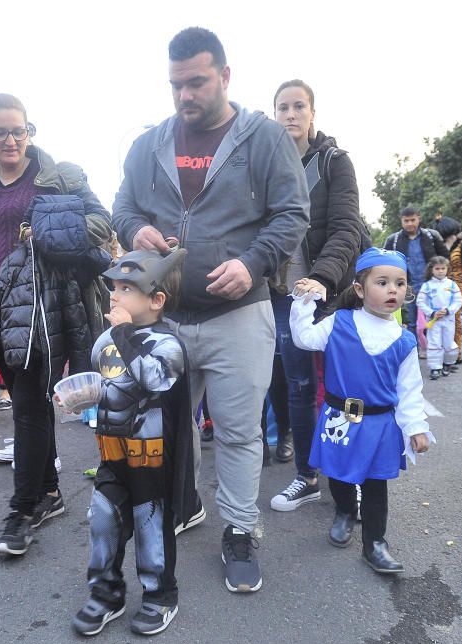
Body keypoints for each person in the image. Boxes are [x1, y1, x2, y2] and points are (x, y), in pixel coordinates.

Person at [112, 27, 309, 592]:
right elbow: (122, 205)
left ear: (225, 76)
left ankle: (240, 532)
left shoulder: (266, 139)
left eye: (196, 82)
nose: (184, 96)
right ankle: (185, 503)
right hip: (165, 317)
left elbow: (292, 214)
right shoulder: (148, 144)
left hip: (238, 315)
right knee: (170, 426)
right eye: (175, 85)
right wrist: (134, 227)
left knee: (241, 432)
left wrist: (253, 262)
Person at [0, 93, 111, 555]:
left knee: (29, 406)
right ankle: (49, 492)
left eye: (19, 130)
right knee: (30, 404)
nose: (11, 140)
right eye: (0, 132)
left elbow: (101, 225)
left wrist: (48, 226)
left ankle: (21, 509)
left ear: (30, 132)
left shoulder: (58, 176)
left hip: (42, 311)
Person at [69, 249, 196, 637]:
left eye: (127, 288)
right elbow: (103, 383)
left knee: (151, 528)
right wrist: (78, 395)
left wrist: (124, 334)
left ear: (156, 300)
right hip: (112, 452)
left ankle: (160, 595)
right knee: (103, 520)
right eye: (114, 287)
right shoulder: (107, 338)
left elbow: (154, 381)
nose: (115, 295)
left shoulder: (167, 345)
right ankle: (106, 594)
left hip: (151, 459)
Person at [289, 247, 433, 574]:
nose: (392, 290)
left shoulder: (404, 341)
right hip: (339, 418)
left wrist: (416, 428)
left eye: (399, 283)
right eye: (382, 282)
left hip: (380, 426)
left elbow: (409, 391)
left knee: (374, 485)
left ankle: (375, 543)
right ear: (359, 289)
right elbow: (305, 339)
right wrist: (303, 303)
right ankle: (343, 511)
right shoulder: (340, 322)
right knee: (338, 475)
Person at [266, 79, 367, 510]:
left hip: (327, 291)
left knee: (344, 385)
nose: (290, 114)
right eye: (283, 107)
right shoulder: (263, 164)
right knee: (298, 386)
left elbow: (346, 227)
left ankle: (352, 476)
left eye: (298, 106)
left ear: (312, 113)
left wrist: (325, 278)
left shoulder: (334, 162)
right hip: (279, 293)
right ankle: (307, 476)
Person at [383, 207, 448, 338]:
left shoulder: (432, 236)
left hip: (431, 286)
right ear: (401, 221)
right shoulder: (393, 240)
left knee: (434, 319)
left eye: (413, 220)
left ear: (419, 218)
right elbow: (385, 263)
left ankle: (432, 350)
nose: (410, 224)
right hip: (408, 287)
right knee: (411, 322)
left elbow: (445, 258)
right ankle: (414, 350)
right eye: (406, 221)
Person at [434, 216, 462, 363]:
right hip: (441, 287)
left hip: (459, 287)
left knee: (456, 320)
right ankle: (445, 350)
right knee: (443, 320)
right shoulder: (439, 246)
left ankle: (456, 353)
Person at [416, 256, 462, 380]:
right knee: (434, 343)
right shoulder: (427, 286)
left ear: (447, 269)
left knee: (449, 343)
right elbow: (420, 302)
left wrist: (448, 311)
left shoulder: (452, 285)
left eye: (443, 268)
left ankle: (448, 363)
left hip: (448, 319)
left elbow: (458, 300)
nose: (440, 271)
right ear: (432, 269)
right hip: (433, 320)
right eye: (437, 268)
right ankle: (435, 368)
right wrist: (431, 313)